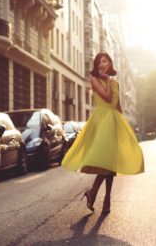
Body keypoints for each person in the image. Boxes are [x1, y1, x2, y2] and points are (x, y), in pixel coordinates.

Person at [62, 52, 144, 214]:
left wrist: (123, 126)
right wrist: (106, 79)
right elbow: (106, 98)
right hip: (102, 122)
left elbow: (117, 104)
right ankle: (95, 194)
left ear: (110, 63)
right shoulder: (94, 80)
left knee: (111, 163)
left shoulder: (115, 82)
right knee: (105, 164)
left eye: (104, 61)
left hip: (114, 122)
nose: (101, 64)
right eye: (99, 62)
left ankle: (106, 198)